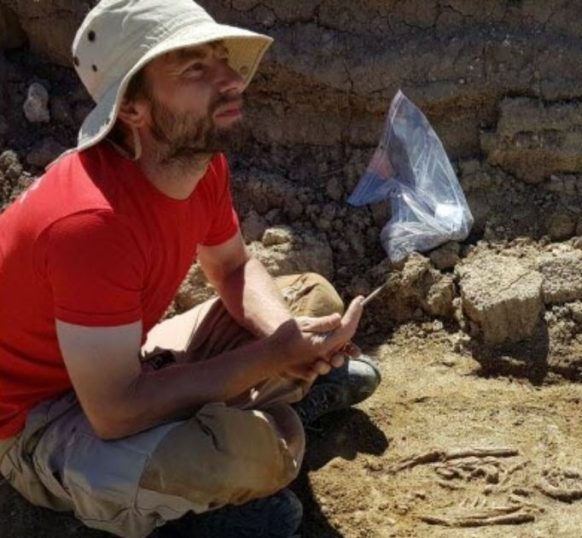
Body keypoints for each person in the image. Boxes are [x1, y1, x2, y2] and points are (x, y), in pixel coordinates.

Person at [0, 1, 381, 537]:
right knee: (247, 456)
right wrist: (271, 357)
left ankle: (256, 417)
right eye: (195, 68)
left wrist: (288, 338)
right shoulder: (90, 223)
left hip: (116, 363)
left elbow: (232, 268)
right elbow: (114, 410)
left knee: (311, 300)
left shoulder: (197, 162)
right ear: (132, 108)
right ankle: (185, 497)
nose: (231, 81)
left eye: (222, 60)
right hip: (39, 421)